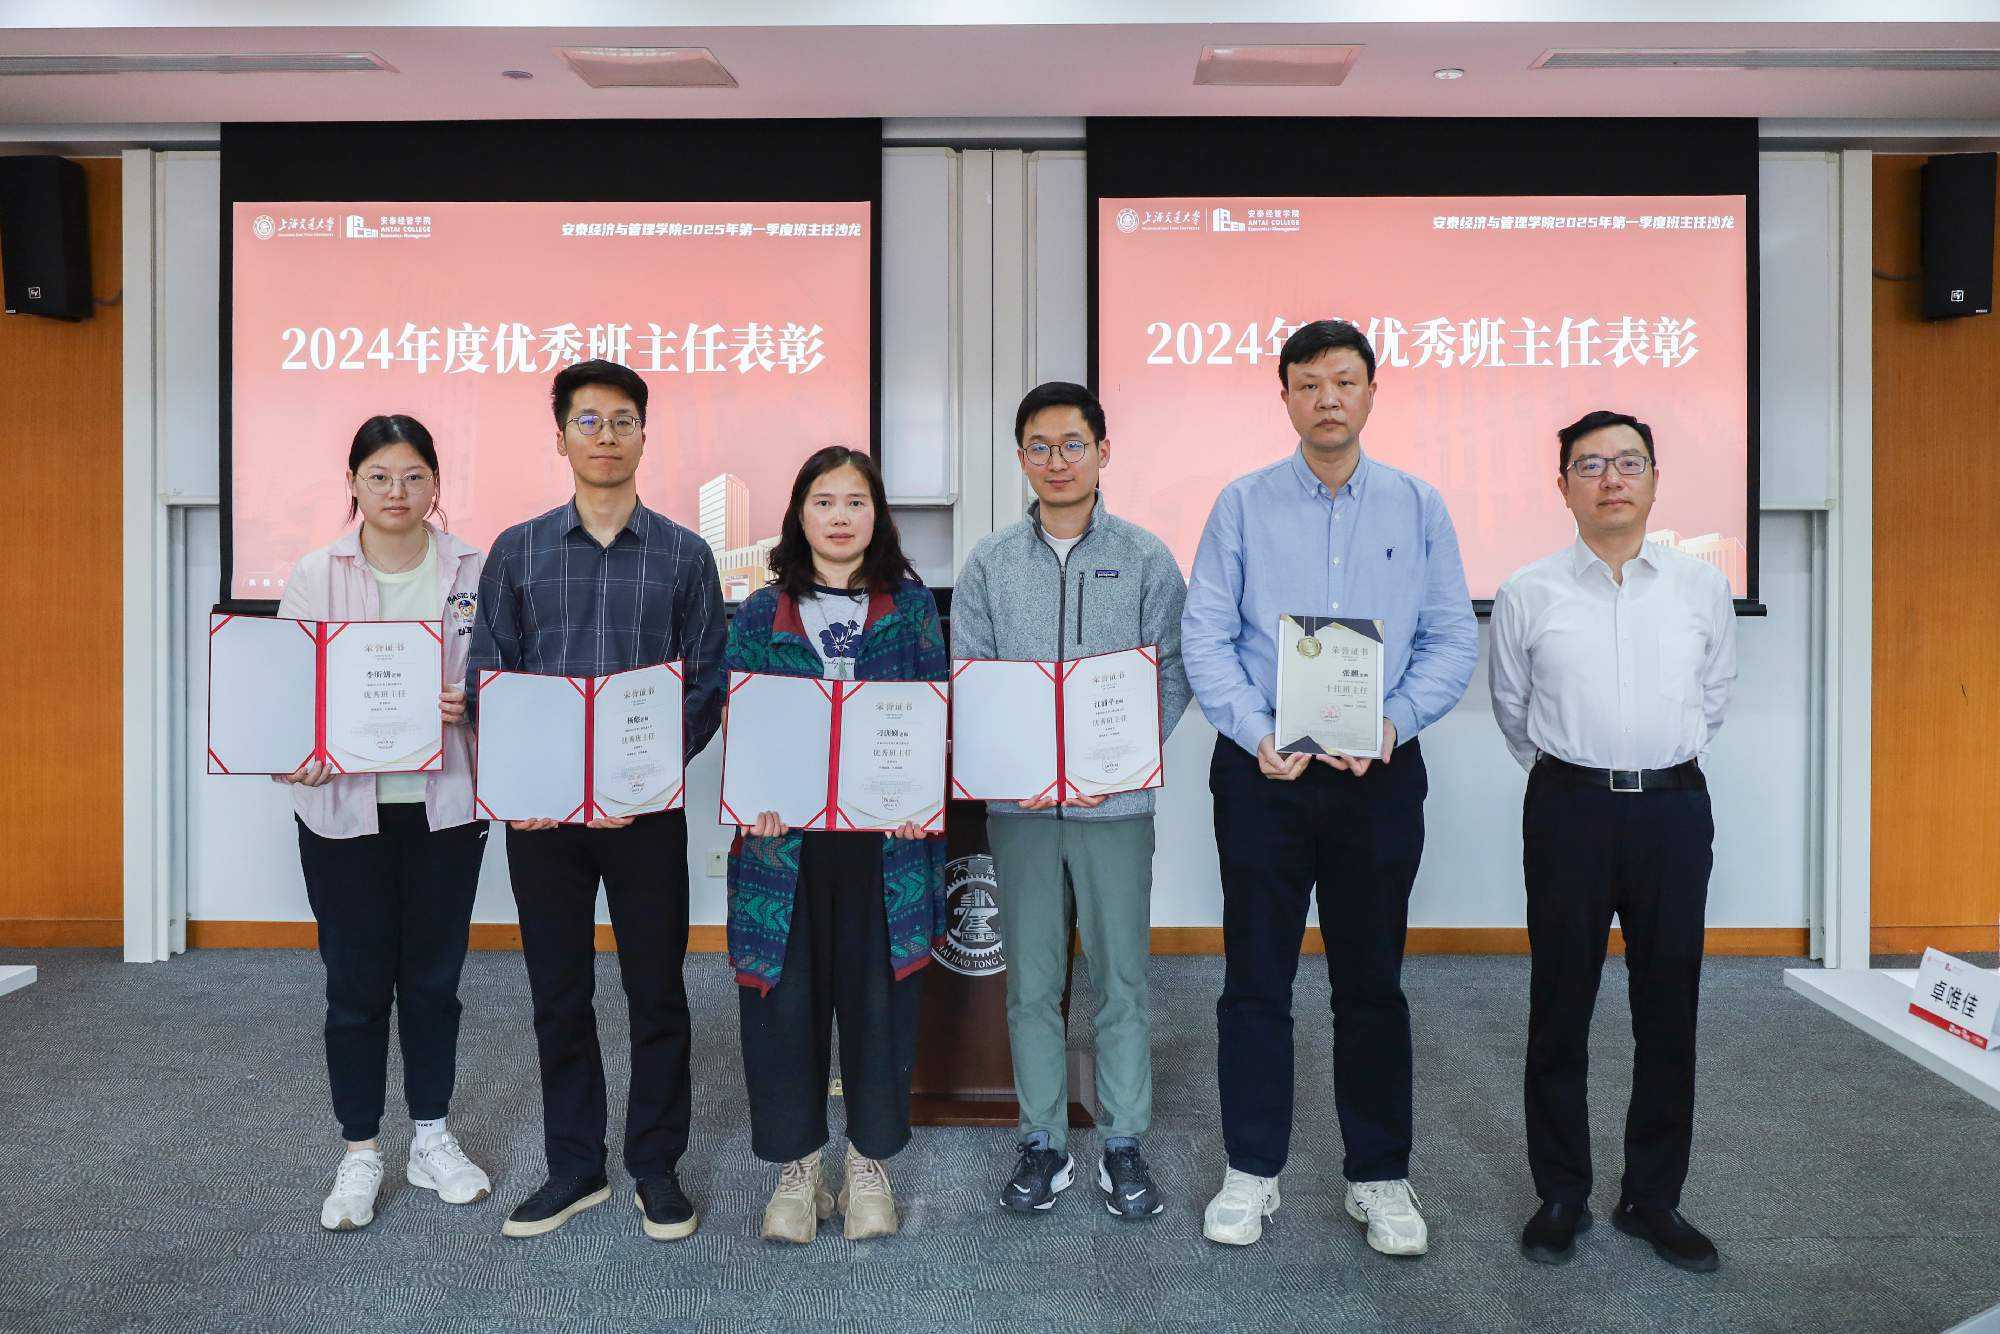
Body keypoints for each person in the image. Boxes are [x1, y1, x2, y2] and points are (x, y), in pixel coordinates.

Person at [1181, 319, 1477, 1251]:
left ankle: (1379, 1177)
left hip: (1376, 774)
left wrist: (1393, 723)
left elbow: (1451, 637)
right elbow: (1205, 636)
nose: (1327, 399)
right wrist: (1255, 731)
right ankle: (1250, 1169)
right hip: (1263, 772)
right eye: (1308, 384)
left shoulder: (1418, 505)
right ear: (1285, 398)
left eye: (1344, 381)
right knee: (1255, 979)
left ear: (1371, 392)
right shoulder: (1242, 503)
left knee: (1371, 981)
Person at [468, 359, 726, 1241]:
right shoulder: (518, 550)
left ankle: (656, 1165)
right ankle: (574, 1167)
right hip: (544, 819)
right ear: (561, 437)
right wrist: (526, 784)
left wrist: (642, 778)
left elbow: (706, 682)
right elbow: (492, 676)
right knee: (558, 992)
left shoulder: (686, 555)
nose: (606, 436)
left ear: (645, 435)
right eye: (588, 421)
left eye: (622, 421)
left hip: (643, 814)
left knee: (657, 991)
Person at [1488, 410, 1737, 1272]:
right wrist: (1578, 777)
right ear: (1563, 486)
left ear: (1655, 479)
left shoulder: (1701, 588)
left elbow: (1714, 696)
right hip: (1570, 810)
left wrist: (1652, 768)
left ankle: (1652, 1197)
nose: (1611, 480)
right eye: (1590, 465)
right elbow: (1514, 711)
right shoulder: (1527, 590)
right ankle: (1561, 1192)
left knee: (1669, 1006)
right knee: (1561, 1003)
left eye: (1629, 462)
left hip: (1672, 810)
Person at [950, 381, 1190, 1218]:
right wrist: (1011, 765)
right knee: (1031, 983)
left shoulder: (1147, 557)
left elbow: (1173, 670)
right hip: (1020, 809)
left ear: (1103, 451)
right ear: (1022, 458)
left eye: (1074, 444)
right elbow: (970, 676)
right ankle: (1042, 1141)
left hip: (1113, 807)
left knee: (1122, 979)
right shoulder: (989, 563)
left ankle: (1123, 1143)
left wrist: (1121, 761)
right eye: (1041, 447)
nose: (1058, 461)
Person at [723, 446, 947, 1243]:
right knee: (785, 1006)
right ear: (799, 514)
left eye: (856, 501)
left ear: (876, 515)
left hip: (885, 849)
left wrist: (920, 797)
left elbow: (936, 715)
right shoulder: (760, 612)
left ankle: (867, 1166)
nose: (840, 516)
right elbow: (742, 725)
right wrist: (751, 798)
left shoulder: (911, 609)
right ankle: (798, 1170)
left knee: (879, 1005)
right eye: (824, 501)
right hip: (784, 852)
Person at [277, 414, 491, 1232]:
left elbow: (510, 675)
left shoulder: (475, 568)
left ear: (435, 483)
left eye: (413, 476)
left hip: (446, 807)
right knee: (356, 987)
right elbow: (287, 692)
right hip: (343, 812)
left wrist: (474, 701)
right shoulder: (315, 573)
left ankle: (431, 1138)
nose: (397, 492)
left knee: (434, 982)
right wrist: (297, 750)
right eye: (379, 476)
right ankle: (361, 1150)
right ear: (353, 484)